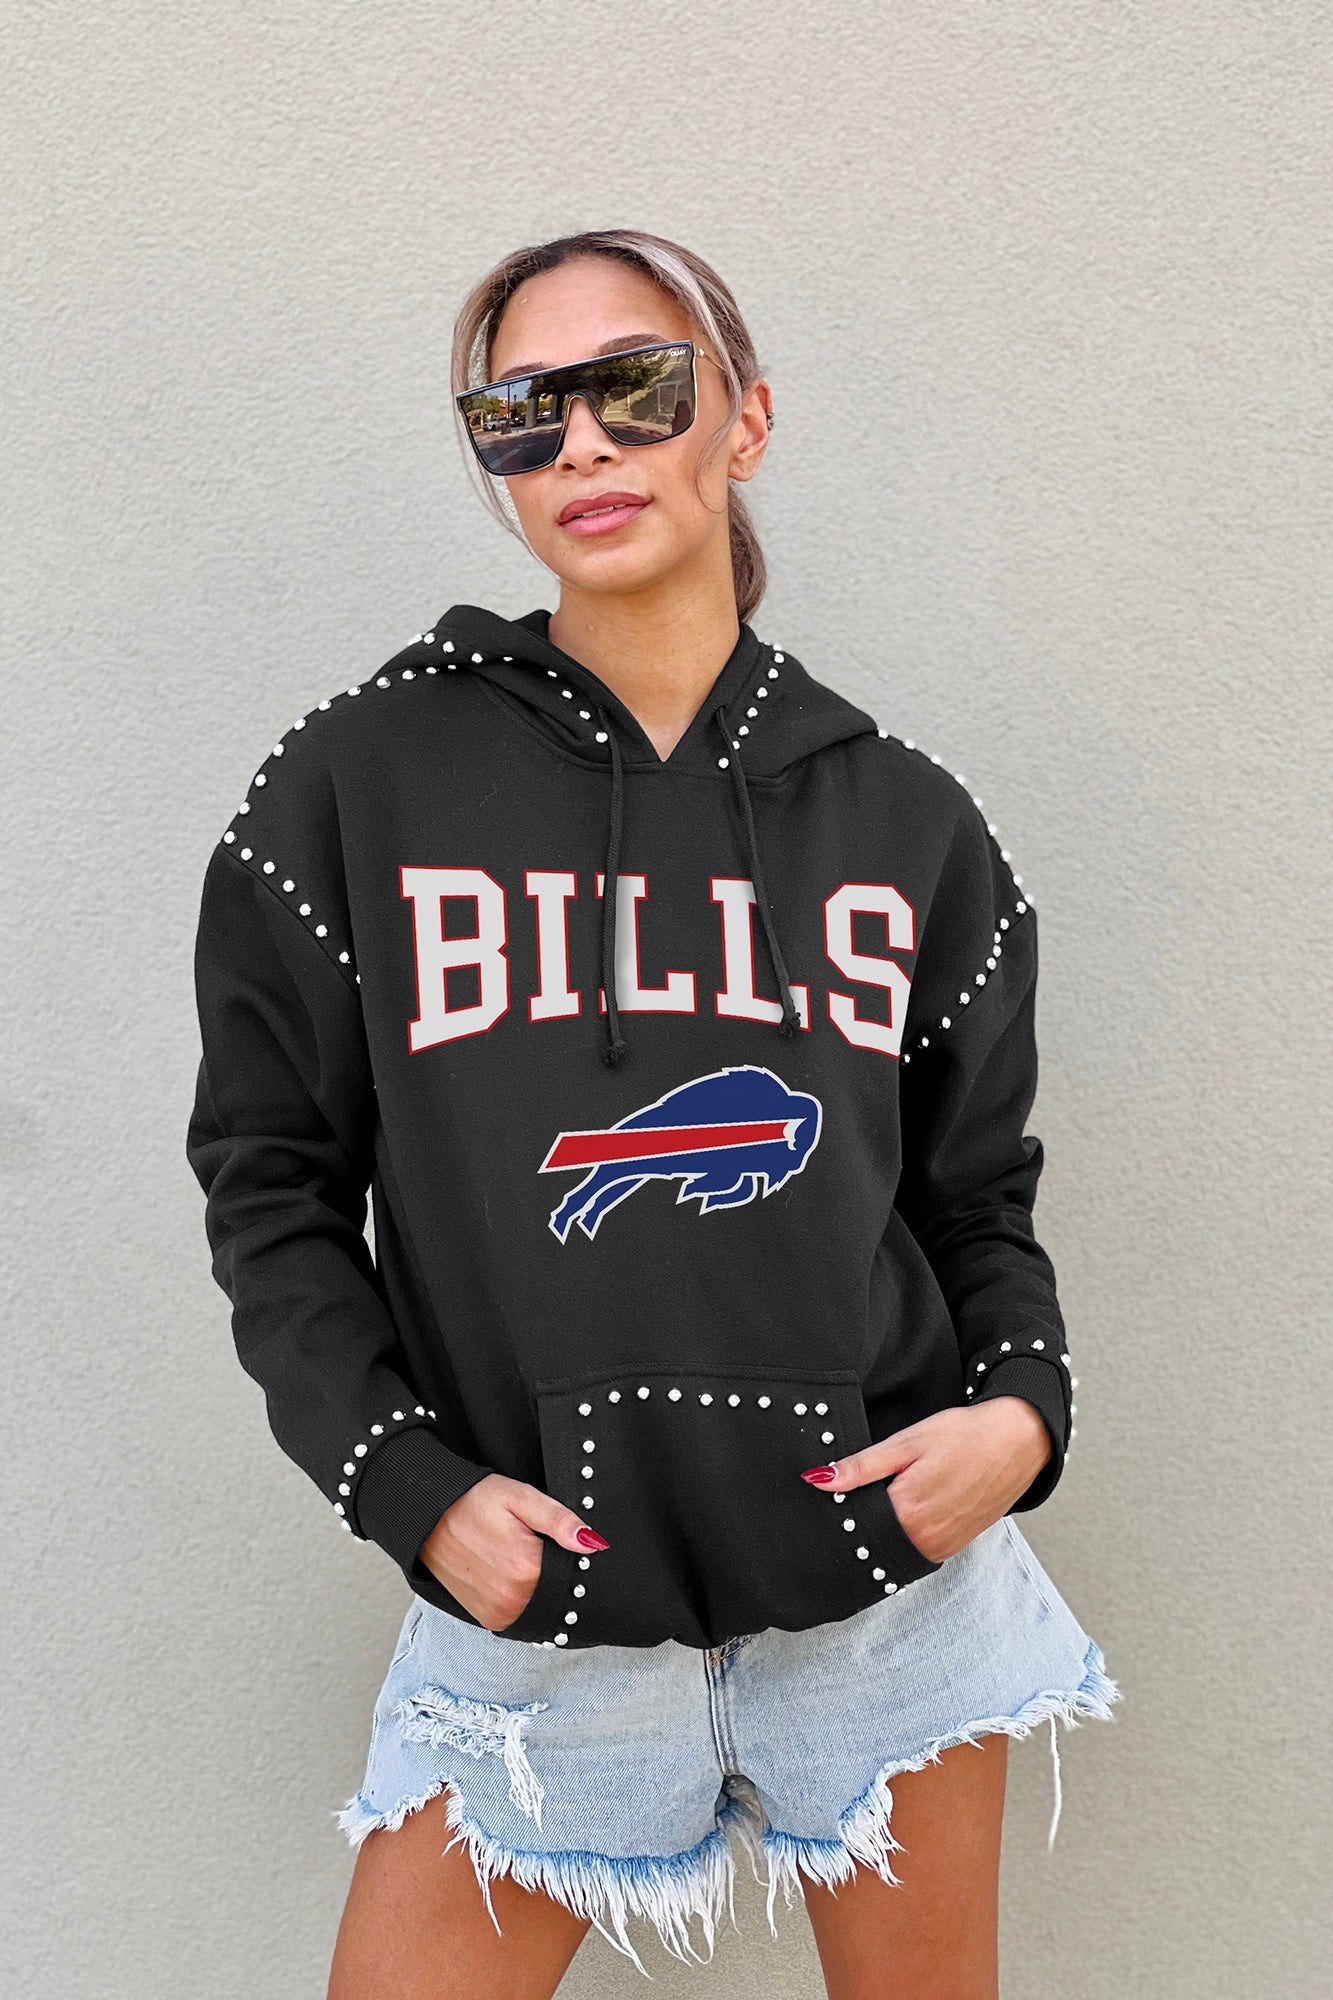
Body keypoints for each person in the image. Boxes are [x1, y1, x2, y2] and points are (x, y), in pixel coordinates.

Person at [186, 228, 1121, 1997]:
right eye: (517, 413)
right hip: (538, 1624)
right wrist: (405, 1485)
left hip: (889, 1605)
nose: (581, 445)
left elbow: (974, 1200)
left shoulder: (906, 823)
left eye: (633, 386)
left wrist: (1019, 1414)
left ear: (742, 418)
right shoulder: (353, 788)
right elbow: (269, 1183)